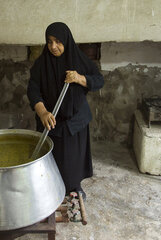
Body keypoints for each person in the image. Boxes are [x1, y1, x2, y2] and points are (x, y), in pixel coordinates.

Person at [27, 22, 104, 201]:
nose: (53, 46)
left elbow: (99, 80)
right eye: (49, 42)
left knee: (72, 158)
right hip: (51, 120)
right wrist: (42, 112)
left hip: (75, 119)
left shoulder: (79, 60)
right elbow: (33, 89)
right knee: (51, 158)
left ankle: (74, 186)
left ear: (67, 41)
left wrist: (80, 78)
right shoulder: (41, 64)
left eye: (58, 42)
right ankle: (50, 187)